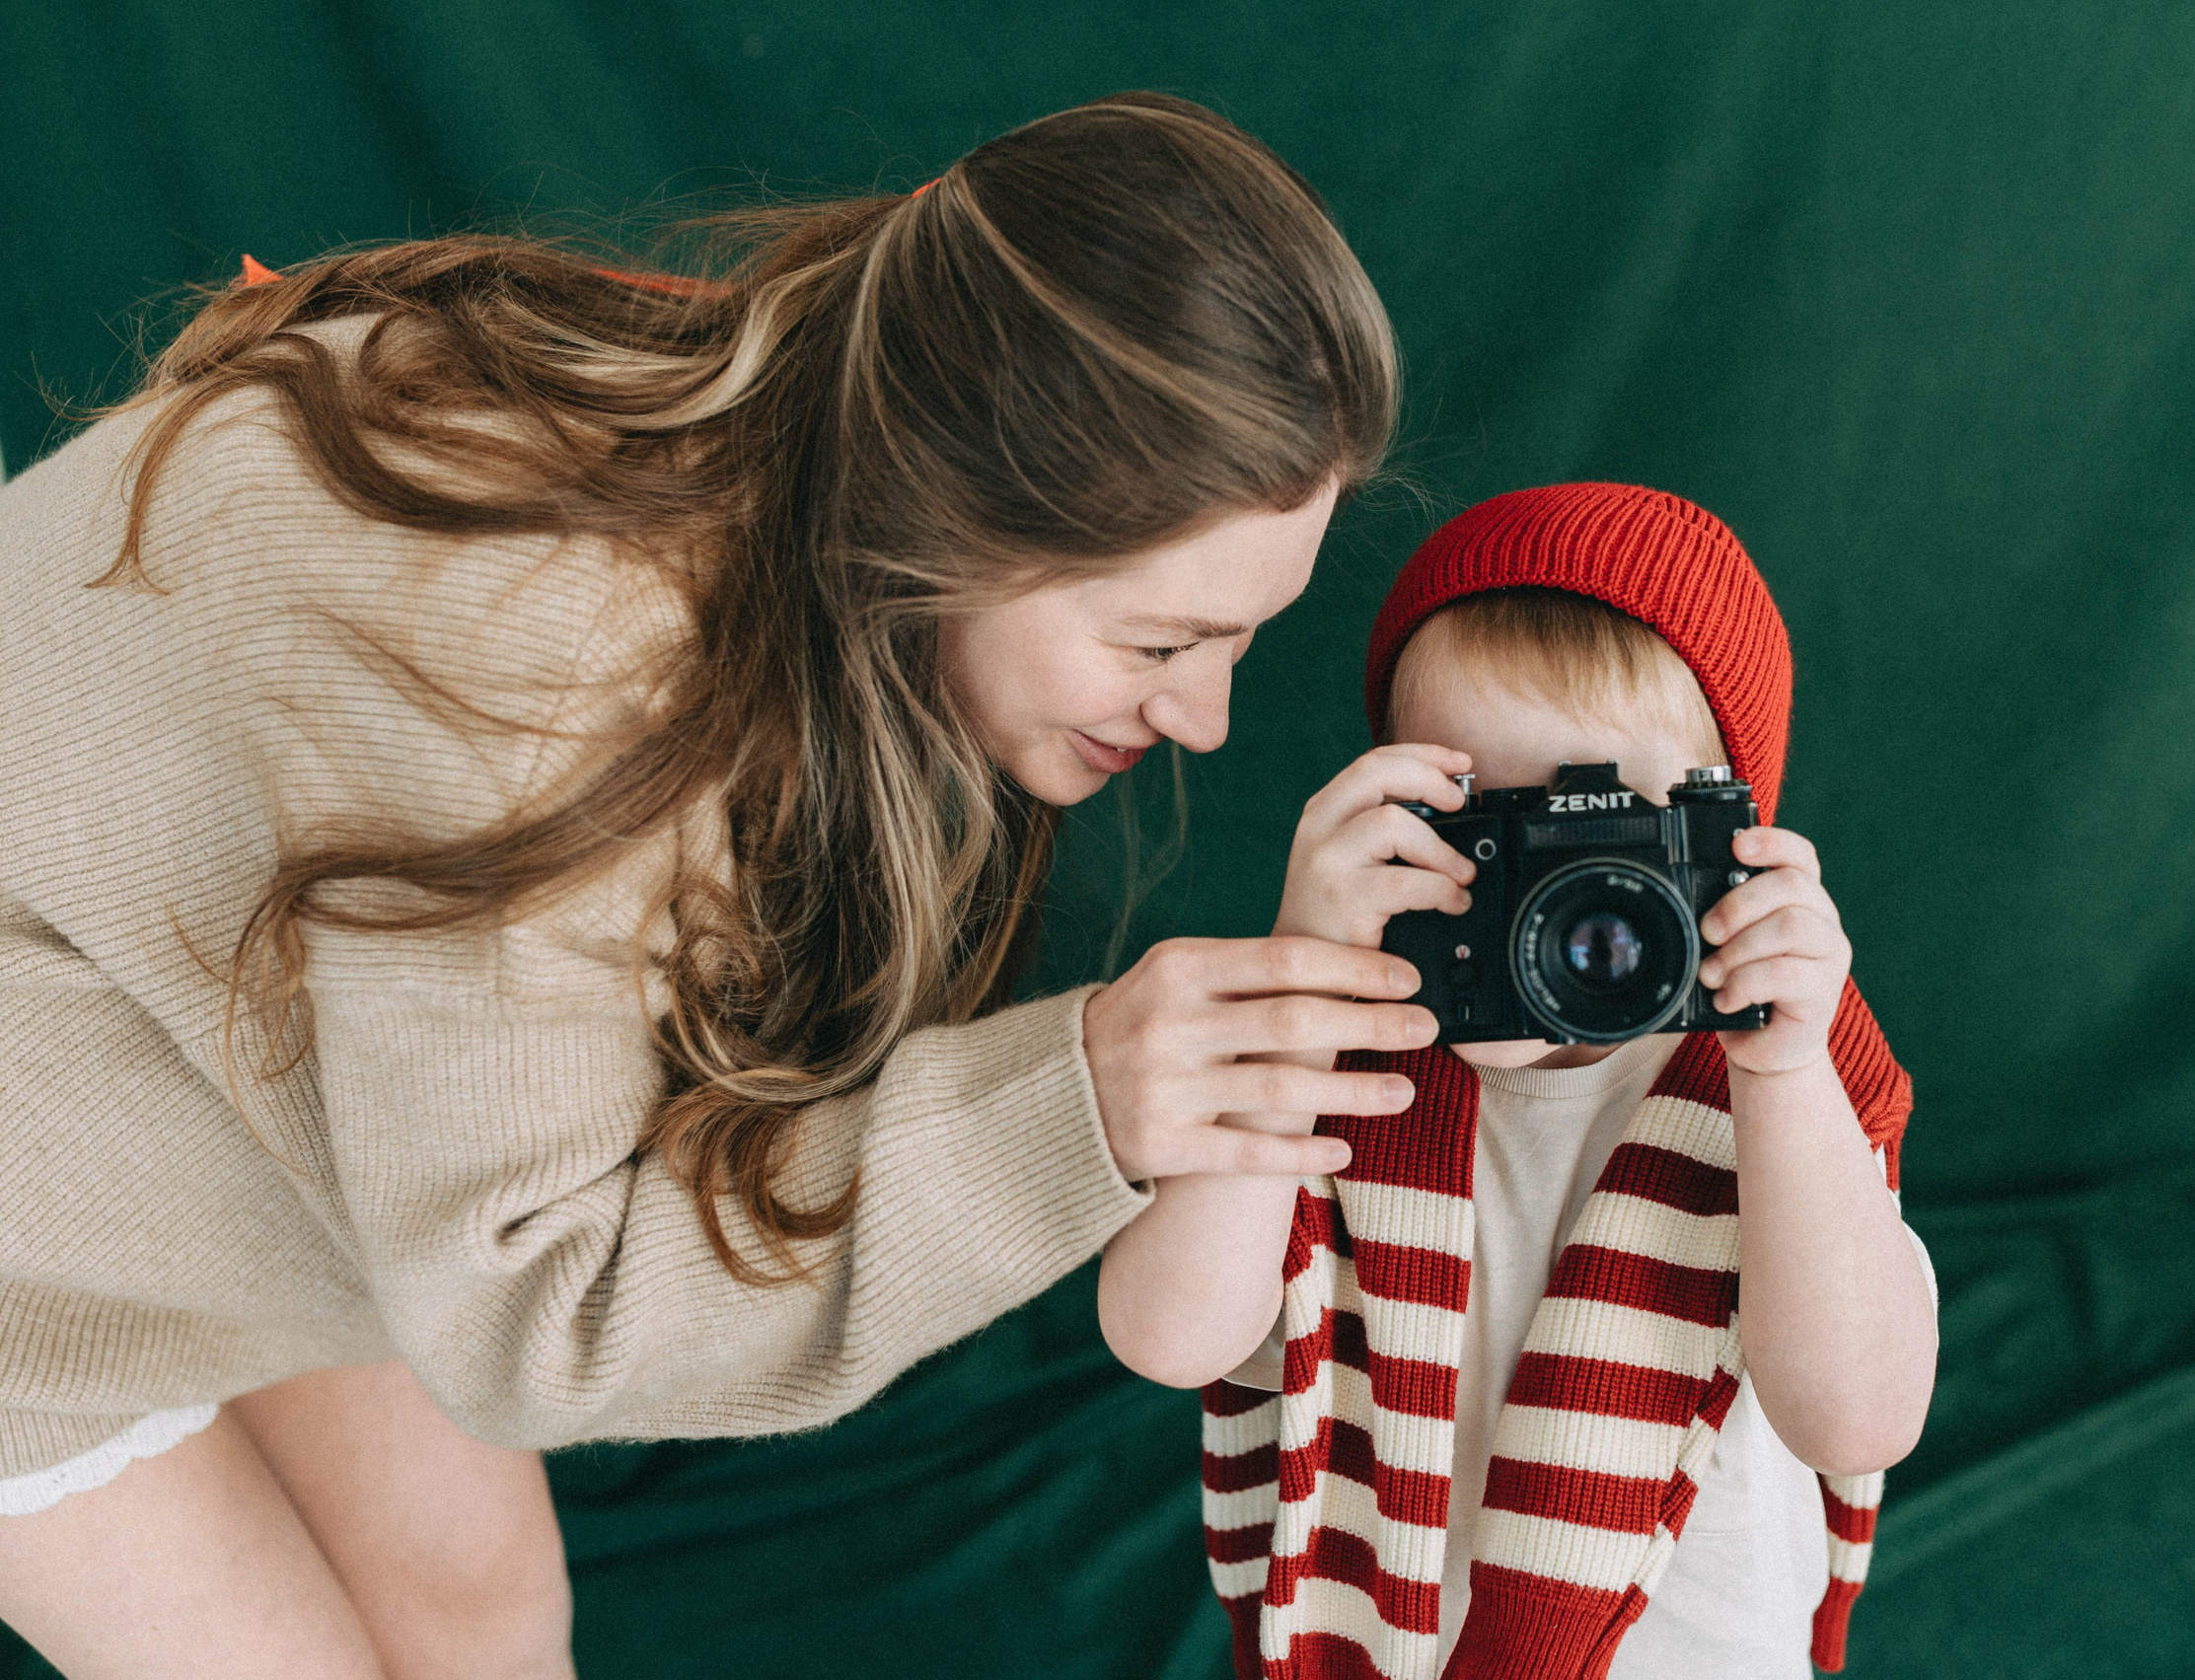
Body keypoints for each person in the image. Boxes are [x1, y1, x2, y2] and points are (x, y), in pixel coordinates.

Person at [0, 93, 1442, 1679]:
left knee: (484, 1623)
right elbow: (542, 1322)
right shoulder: (543, 651)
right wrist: (1075, 1100)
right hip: (36, 1246)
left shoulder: (764, 443)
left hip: (235, 1099)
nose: (1205, 718)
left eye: (1240, 638)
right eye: (1161, 641)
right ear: (962, 507)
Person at [1098, 483, 1941, 1678]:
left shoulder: (1776, 1069)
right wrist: (1299, 980)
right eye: (1481, 830)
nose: (1546, 910)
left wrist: (1788, 1072)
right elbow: (1166, 1337)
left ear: (1729, 847)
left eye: (1606, 848)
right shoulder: (1336, 1037)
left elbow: (1859, 1418)